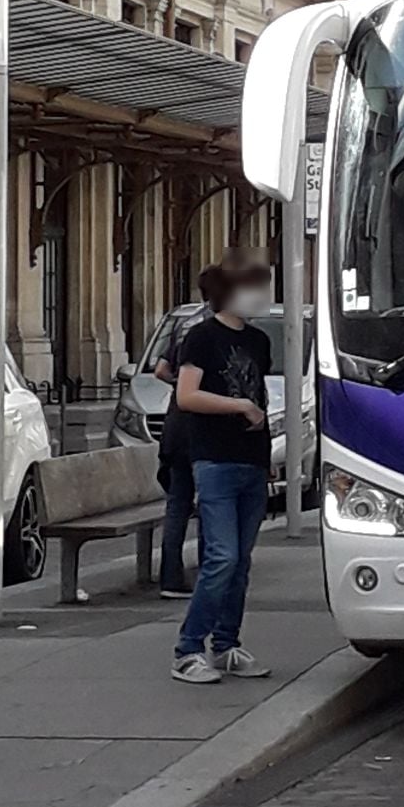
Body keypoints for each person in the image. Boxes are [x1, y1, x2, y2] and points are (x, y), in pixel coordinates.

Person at [170, 250, 276, 685]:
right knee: (221, 557)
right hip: (213, 458)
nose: (263, 296)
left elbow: (262, 399)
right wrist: (239, 405)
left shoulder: (258, 341)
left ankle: (227, 644)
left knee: (241, 561)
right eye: (257, 287)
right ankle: (188, 649)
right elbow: (186, 396)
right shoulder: (201, 337)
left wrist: (266, 459)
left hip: (251, 460)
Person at [152, 271, 214, 601]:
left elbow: (160, 369)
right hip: (203, 428)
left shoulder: (183, 323)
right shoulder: (216, 328)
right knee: (209, 502)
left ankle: (170, 577)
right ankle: (209, 572)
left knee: (177, 504)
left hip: (176, 425)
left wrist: (182, 384)